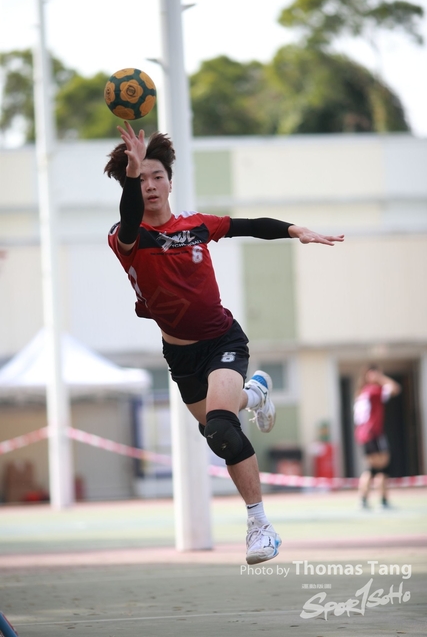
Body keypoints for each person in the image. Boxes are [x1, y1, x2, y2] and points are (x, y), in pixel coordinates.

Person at [104, 122, 345, 564]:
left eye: (157, 176)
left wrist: (295, 230)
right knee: (215, 431)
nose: (150, 185)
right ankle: (255, 393)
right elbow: (130, 218)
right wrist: (131, 170)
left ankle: (260, 526)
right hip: (181, 355)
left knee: (221, 427)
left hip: (222, 341)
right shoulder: (126, 238)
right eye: (140, 179)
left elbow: (246, 225)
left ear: (170, 182)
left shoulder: (196, 225)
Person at [353, 365, 401, 509]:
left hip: (364, 434)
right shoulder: (374, 391)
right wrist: (381, 378)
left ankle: (364, 499)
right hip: (373, 433)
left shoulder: (362, 392)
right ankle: (382, 501)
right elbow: (395, 388)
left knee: (372, 469)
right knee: (382, 468)